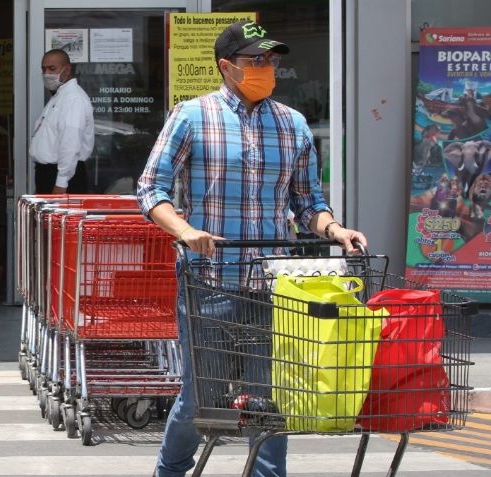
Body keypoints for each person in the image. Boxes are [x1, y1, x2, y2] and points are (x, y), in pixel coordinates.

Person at [137, 21, 368, 477]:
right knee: (203, 394)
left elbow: (308, 203)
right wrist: (184, 230)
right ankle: (170, 470)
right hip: (209, 281)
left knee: (270, 393)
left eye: (272, 60)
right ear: (227, 66)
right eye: (255, 60)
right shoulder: (191, 116)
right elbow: (150, 190)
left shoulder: (292, 124)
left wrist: (336, 229)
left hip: (269, 283)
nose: (267, 68)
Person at [29, 49, 94, 194]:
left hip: (63, 177)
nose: (47, 73)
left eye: (52, 68)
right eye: (43, 69)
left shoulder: (73, 99)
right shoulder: (59, 97)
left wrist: (61, 183)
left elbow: (70, 143)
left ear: (67, 69)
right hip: (49, 174)